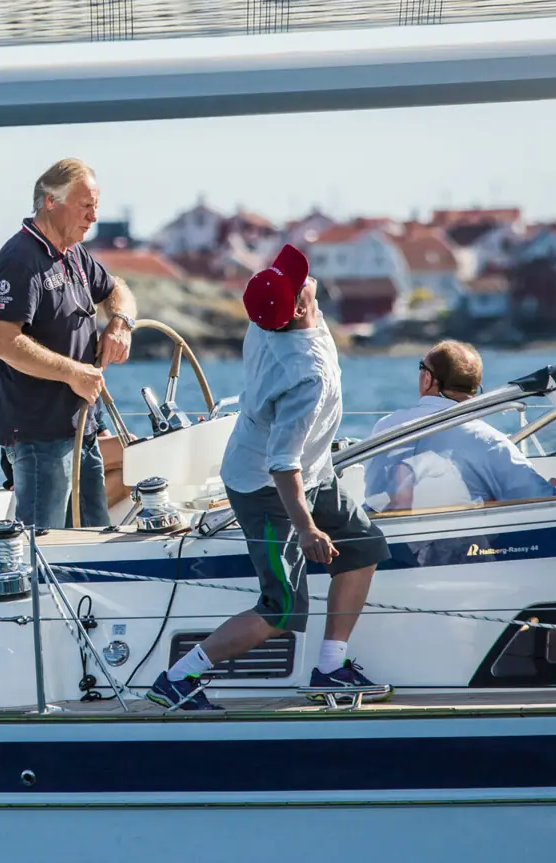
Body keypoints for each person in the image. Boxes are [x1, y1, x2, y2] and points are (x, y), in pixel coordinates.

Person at [148, 245, 390, 711]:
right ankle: (177, 679)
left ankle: (330, 668)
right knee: (281, 609)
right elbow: (282, 463)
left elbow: (295, 457)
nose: (310, 280)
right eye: (301, 282)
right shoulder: (306, 375)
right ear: (297, 308)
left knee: (363, 546)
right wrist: (307, 529)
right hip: (265, 487)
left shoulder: (269, 321)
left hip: (311, 472)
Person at [0, 158, 138, 529]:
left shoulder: (74, 254)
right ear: (51, 201)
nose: (93, 217)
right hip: (39, 433)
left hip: (80, 428)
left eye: (95, 207)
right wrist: (73, 373)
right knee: (45, 543)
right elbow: (2, 341)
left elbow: (117, 289)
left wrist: (120, 324)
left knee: (91, 535)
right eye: (85, 206)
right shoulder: (20, 259)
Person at [365, 339, 555, 510]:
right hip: (457, 536)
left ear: (428, 379)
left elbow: (375, 494)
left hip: (386, 534)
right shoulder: (489, 442)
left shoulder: (385, 427)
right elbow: (537, 498)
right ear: (476, 388)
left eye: (421, 367)